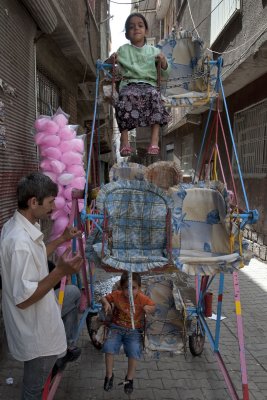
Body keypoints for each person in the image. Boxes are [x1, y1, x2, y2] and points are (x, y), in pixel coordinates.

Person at [0, 172, 83, 400]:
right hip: (34, 327)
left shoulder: (21, 225)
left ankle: (65, 350)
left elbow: (36, 254)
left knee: (74, 294)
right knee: (33, 388)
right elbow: (24, 298)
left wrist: (61, 238)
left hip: (42, 309)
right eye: (49, 202)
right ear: (33, 202)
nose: (53, 207)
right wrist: (59, 272)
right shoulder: (18, 242)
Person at [109, 13, 171, 157]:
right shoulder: (123, 50)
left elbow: (166, 73)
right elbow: (108, 66)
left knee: (155, 96)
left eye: (140, 25)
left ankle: (154, 141)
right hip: (129, 84)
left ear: (146, 31)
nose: (136, 28)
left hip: (149, 85)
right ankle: (125, 142)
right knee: (123, 98)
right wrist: (111, 59)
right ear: (127, 35)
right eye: (131, 27)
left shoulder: (154, 51)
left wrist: (163, 61)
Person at [101, 271, 156, 394]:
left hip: (133, 330)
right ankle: (109, 376)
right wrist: (106, 304)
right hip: (116, 327)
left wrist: (149, 309)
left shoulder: (142, 298)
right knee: (108, 346)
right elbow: (104, 298)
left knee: (134, 349)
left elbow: (153, 306)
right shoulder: (117, 295)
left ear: (139, 288)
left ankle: (129, 379)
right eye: (127, 288)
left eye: (134, 288)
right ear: (121, 288)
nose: (130, 291)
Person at [47, 260, 81, 370]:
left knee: (71, 306)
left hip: (46, 296)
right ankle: (66, 346)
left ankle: (65, 347)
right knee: (74, 293)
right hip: (38, 305)